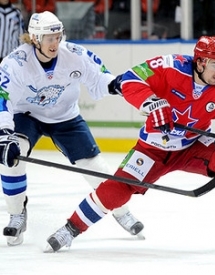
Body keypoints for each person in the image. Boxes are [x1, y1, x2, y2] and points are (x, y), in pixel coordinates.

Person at [45, 35, 215, 252]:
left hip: (192, 146)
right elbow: (130, 79)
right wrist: (154, 103)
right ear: (200, 62)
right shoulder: (171, 66)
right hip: (153, 149)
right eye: (214, 64)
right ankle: (70, 229)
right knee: (117, 190)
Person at [0, 11, 144, 246]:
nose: (55, 43)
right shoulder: (15, 63)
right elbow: (3, 98)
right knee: (12, 156)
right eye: (49, 38)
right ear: (35, 38)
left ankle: (121, 210)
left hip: (65, 117)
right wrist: (4, 134)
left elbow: (101, 79)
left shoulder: (75, 54)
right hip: (27, 115)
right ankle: (17, 213)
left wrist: (118, 85)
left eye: (58, 36)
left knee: (95, 167)